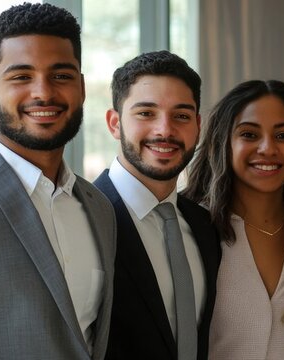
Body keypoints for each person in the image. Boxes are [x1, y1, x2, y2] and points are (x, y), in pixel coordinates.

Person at [0, 3, 116, 359]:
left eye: (61, 75)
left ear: (82, 87)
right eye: (21, 76)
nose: (43, 93)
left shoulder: (99, 207)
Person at [92, 50, 219, 360]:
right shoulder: (83, 217)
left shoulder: (206, 225)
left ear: (198, 126)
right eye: (146, 113)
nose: (165, 130)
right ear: (114, 123)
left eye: (181, 115)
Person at [182, 80, 284, 359]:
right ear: (224, 142)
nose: (267, 149)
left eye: (283, 136)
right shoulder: (188, 227)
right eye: (249, 134)